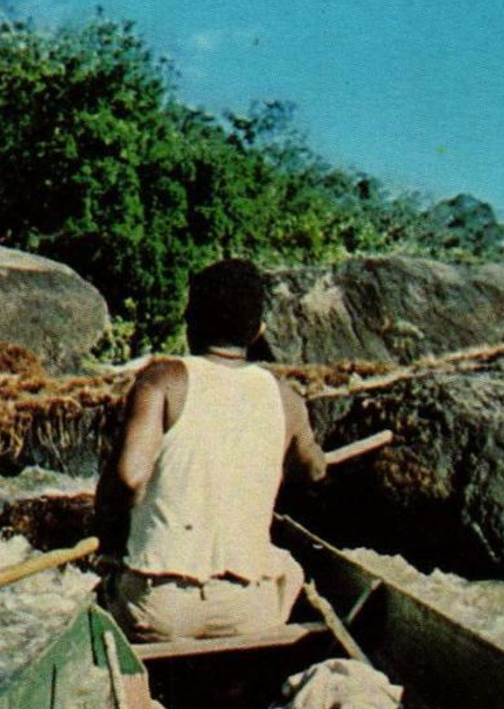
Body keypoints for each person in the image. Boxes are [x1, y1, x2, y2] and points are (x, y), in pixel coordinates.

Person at [95, 258, 330, 642]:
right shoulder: (286, 398)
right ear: (258, 331)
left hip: (159, 611)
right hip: (248, 611)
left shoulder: (162, 379)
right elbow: (316, 472)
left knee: (112, 586)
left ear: (190, 323)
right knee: (289, 568)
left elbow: (128, 478)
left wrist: (109, 544)